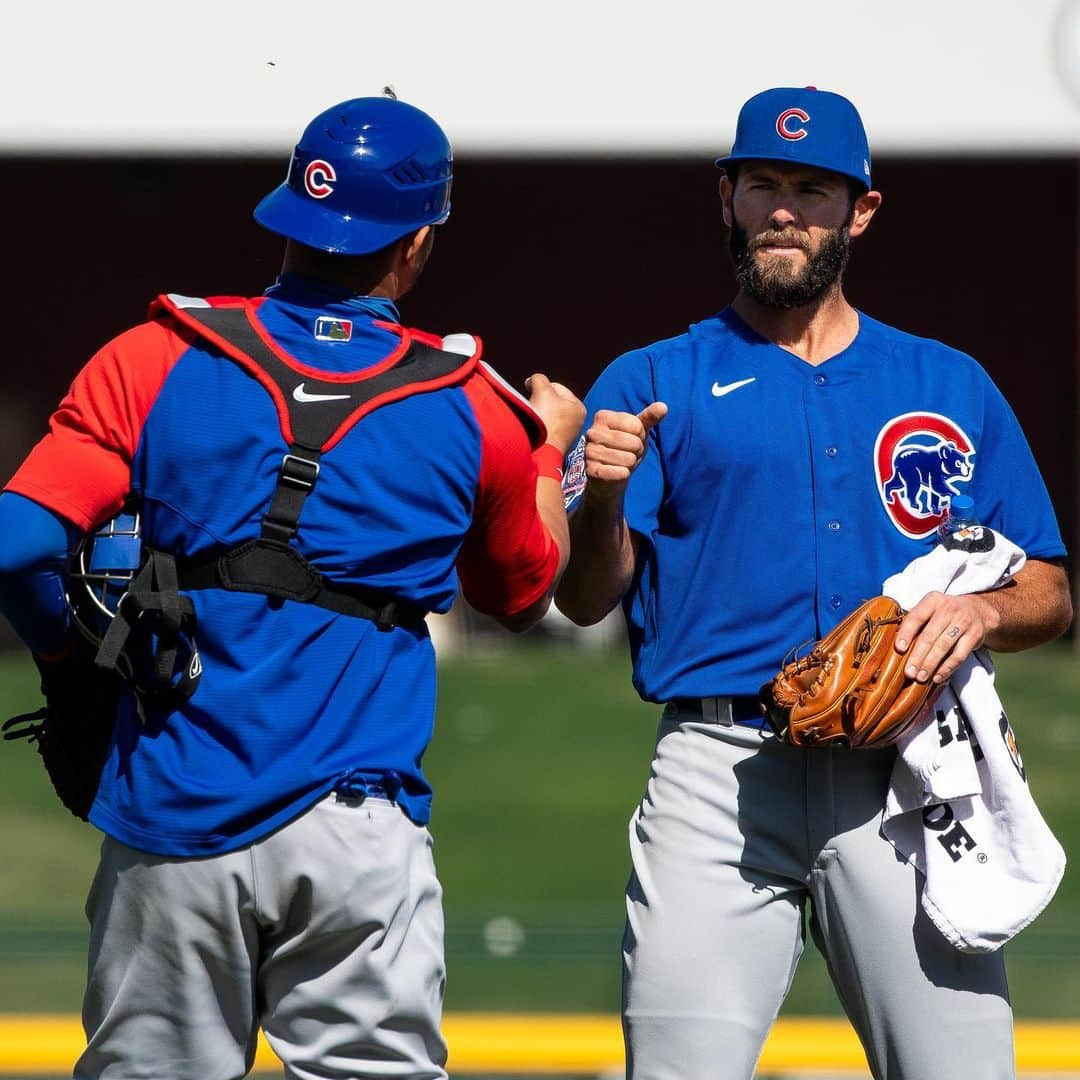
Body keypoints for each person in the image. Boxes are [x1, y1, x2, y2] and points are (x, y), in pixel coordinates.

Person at [0, 94, 584, 1079]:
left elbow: (18, 543)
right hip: (356, 829)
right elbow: (524, 591)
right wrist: (549, 451)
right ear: (418, 244)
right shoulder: (474, 407)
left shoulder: (153, 357)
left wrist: (68, 658)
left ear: (289, 211)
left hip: (171, 810)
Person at [555, 86, 1073, 1080]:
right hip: (717, 769)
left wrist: (984, 609)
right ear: (728, 199)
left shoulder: (949, 383)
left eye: (811, 189)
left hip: (909, 770)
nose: (784, 209)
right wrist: (600, 498)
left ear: (861, 211)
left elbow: (1049, 589)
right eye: (762, 185)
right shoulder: (654, 377)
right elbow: (586, 598)